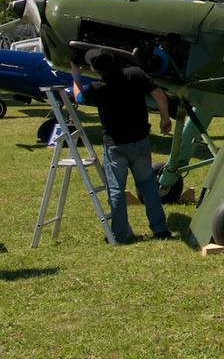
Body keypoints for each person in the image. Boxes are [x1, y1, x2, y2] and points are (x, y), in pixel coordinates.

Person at [71, 49, 173, 244]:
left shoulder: (98, 87)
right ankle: (160, 230)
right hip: (140, 142)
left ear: (95, 69)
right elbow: (159, 94)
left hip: (115, 146)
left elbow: (79, 98)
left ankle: (119, 235)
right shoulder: (135, 74)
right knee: (149, 187)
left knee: (116, 190)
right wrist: (165, 118)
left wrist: (75, 74)